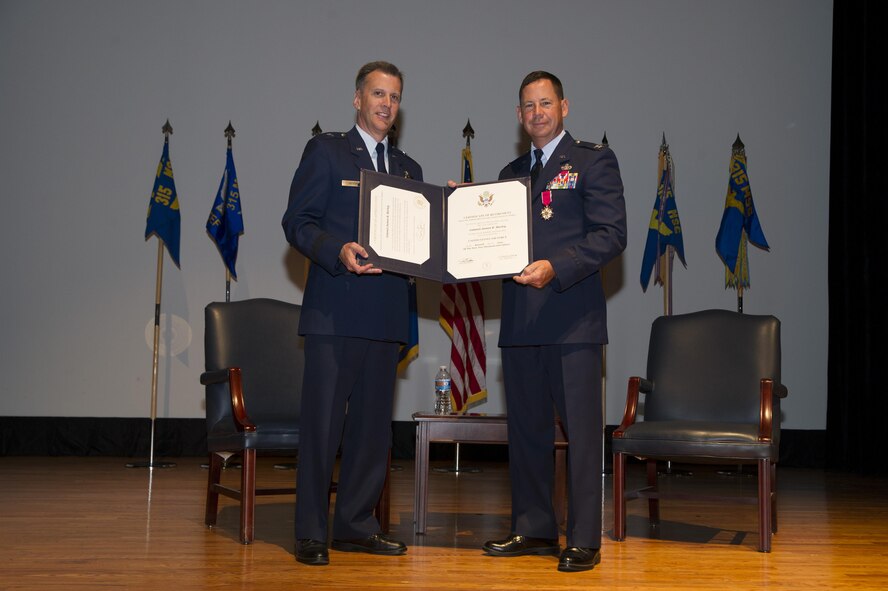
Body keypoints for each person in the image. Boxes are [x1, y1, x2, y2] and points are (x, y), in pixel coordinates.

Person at [482, 71, 627, 572]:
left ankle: (584, 537)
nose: (537, 113)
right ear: (519, 115)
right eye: (528, 105)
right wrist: (464, 218)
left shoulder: (592, 160)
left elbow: (612, 235)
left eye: (546, 103)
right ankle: (533, 526)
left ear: (564, 107)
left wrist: (556, 268)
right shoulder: (509, 172)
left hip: (572, 322)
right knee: (525, 432)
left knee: (583, 435)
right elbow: (492, 241)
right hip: (521, 321)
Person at [282, 61, 422, 567]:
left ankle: (357, 527)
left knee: (371, 431)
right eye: (378, 93)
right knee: (322, 427)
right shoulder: (325, 151)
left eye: (395, 96)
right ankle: (311, 532)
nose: (387, 103)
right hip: (334, 312)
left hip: (385, 318)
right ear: (357, 99)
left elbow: (423, 247)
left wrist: (449, 219)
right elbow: (296, 222)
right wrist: (335, 248)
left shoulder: (409, 171)